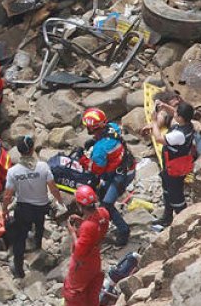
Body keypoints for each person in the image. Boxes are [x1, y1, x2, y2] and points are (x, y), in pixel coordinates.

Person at [3, 135, 64, 279]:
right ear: (32, 149)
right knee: (40, 225)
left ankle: (19, 269)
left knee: (20, 238)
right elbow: (53, 188)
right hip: (41, 206)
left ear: (19, 151)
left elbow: (7, 195)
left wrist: (4, 209)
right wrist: (60, 202)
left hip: (23, 209)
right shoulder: (43, 166)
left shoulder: (13, 172)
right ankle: (37, 245)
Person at [79, 108, 135, 247]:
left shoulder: (100, 149)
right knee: (102, 192)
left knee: (107, 204)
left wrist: (82, 159)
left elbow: (96, 168)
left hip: (120, 176)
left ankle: (123, 231)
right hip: (127, 166)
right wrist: (95, 141)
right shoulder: (113, 128)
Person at [149, 101, 197, 230]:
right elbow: (175, 114)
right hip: (170, 165)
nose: (173, 113)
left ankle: (186, 222)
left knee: (176, 197)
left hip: (174, 168)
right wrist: (164, 106)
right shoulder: (187, 124)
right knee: (167, 191)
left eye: (176, 112)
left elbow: (158, 138)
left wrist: (154, 122)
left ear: (180, 117)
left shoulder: (179, 135)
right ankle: (167, 217)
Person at [63, 184, 110, 306]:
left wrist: (73, 233)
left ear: (80, 205)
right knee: (92, 290)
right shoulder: (103, 213)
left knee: (73, 292)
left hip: (82, 264)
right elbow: (97, 228)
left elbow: (78, 253)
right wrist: (82, 221)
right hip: (95, 259)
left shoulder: (87, 227)